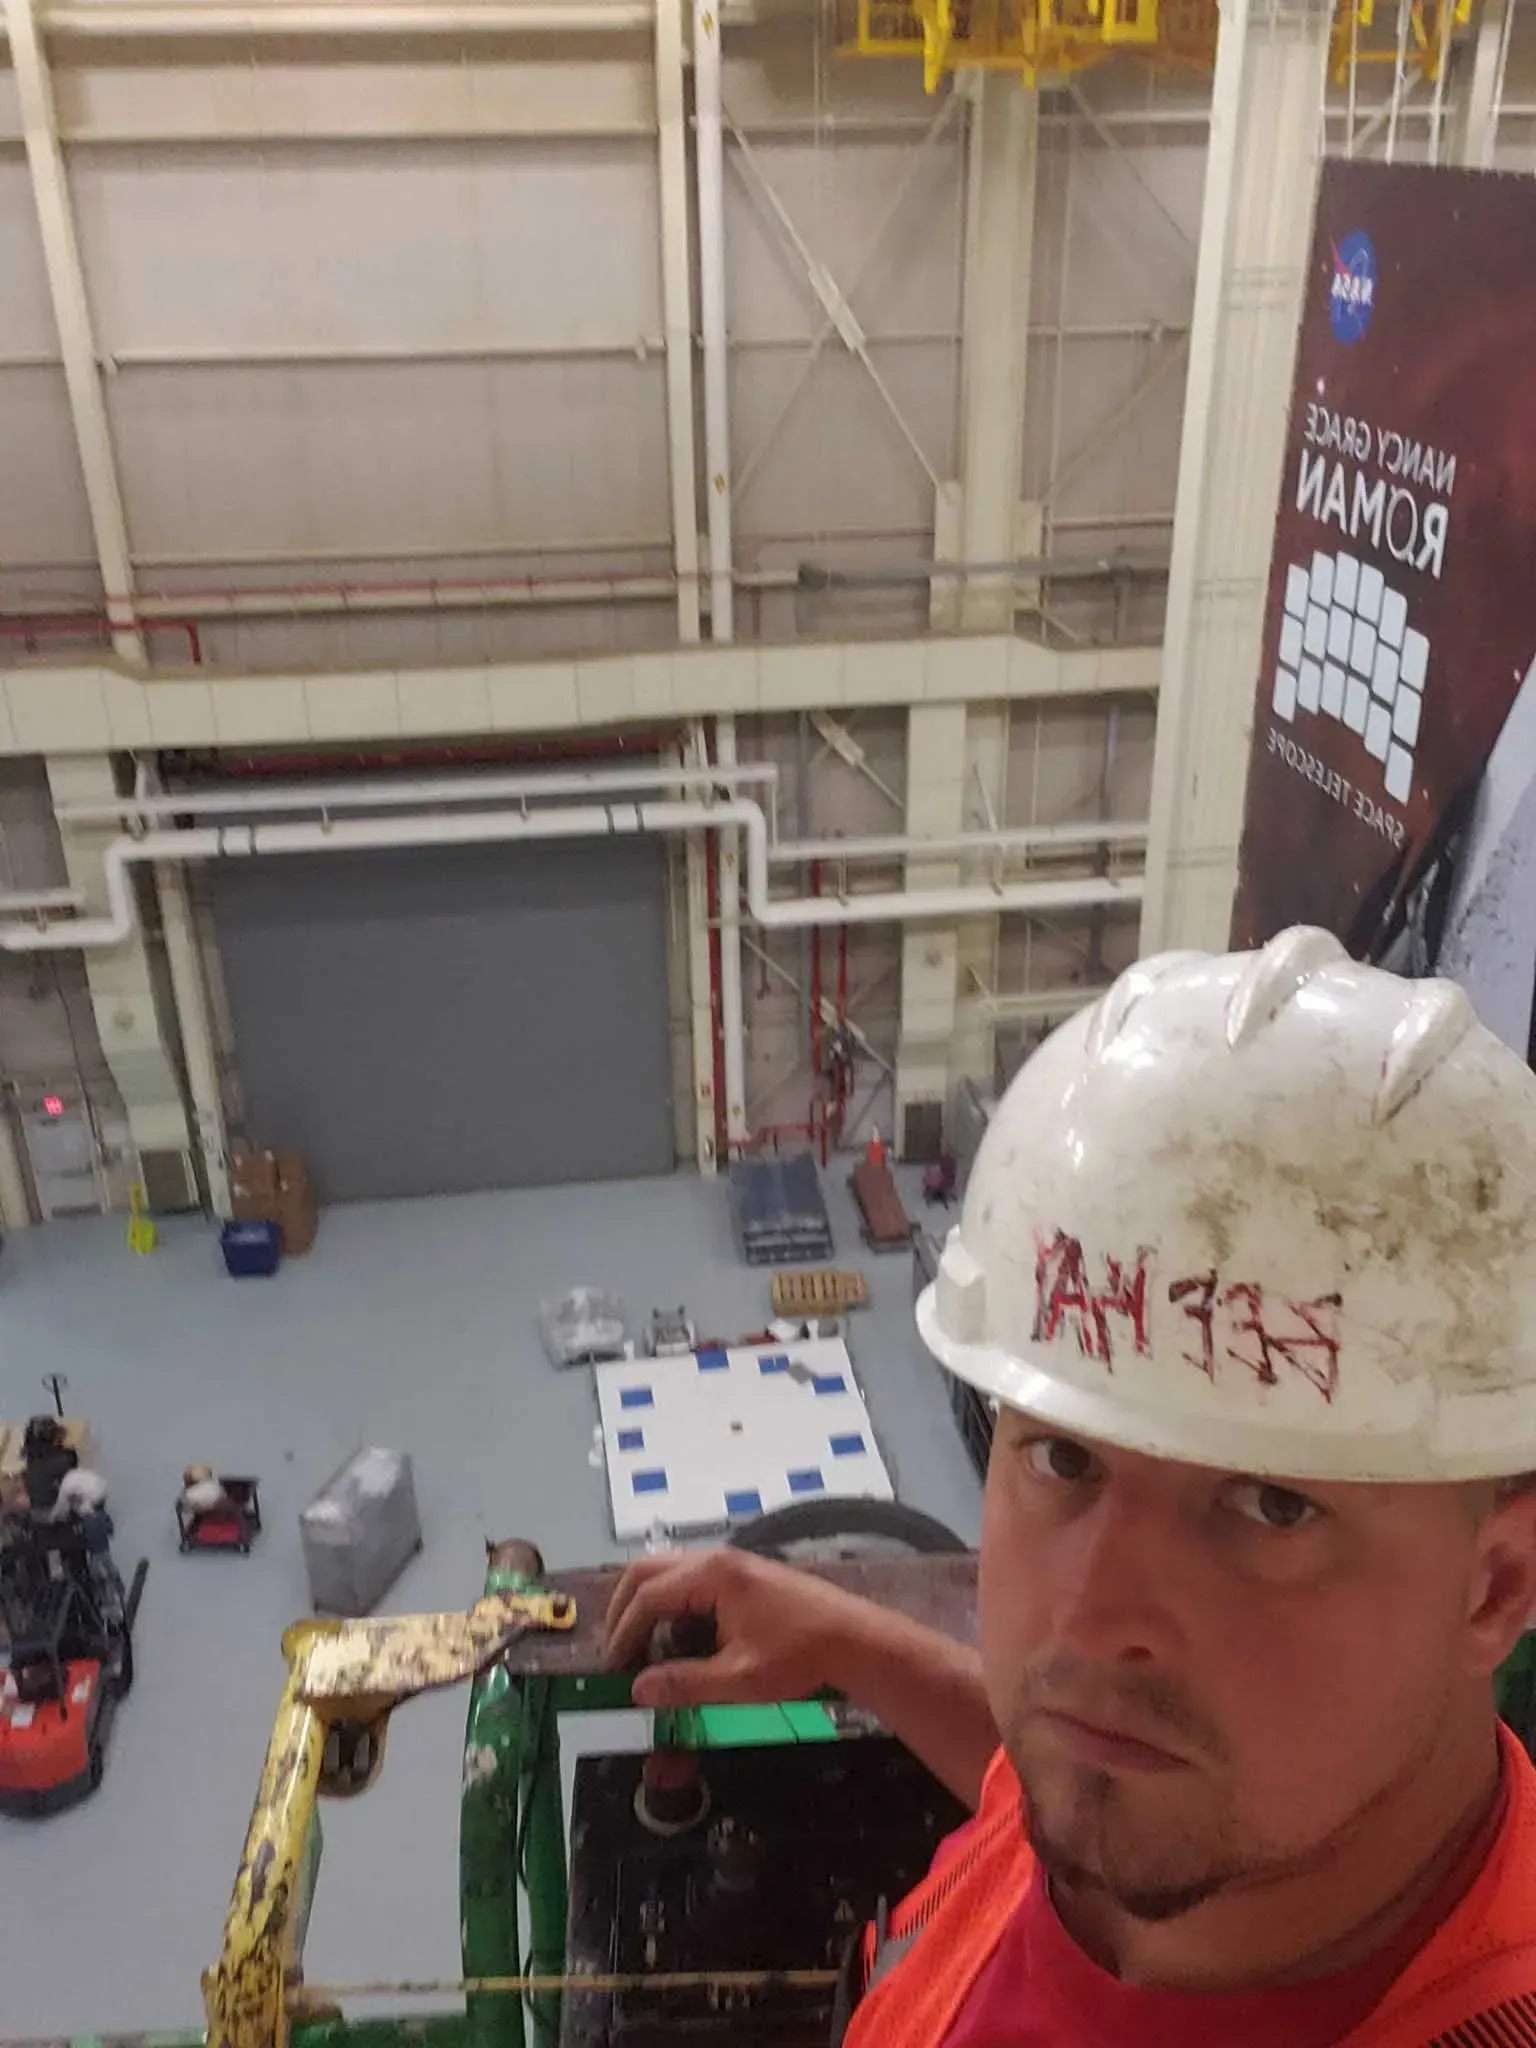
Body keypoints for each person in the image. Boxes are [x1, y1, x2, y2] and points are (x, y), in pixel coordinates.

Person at [605, 926, 1536, 2048]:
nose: (1091, 1621)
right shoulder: (1183, 1800)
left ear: (1497, 1586)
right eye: (1064, 1457)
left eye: (1271, 1505)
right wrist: (845, 1639)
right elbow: (1033, 1782)